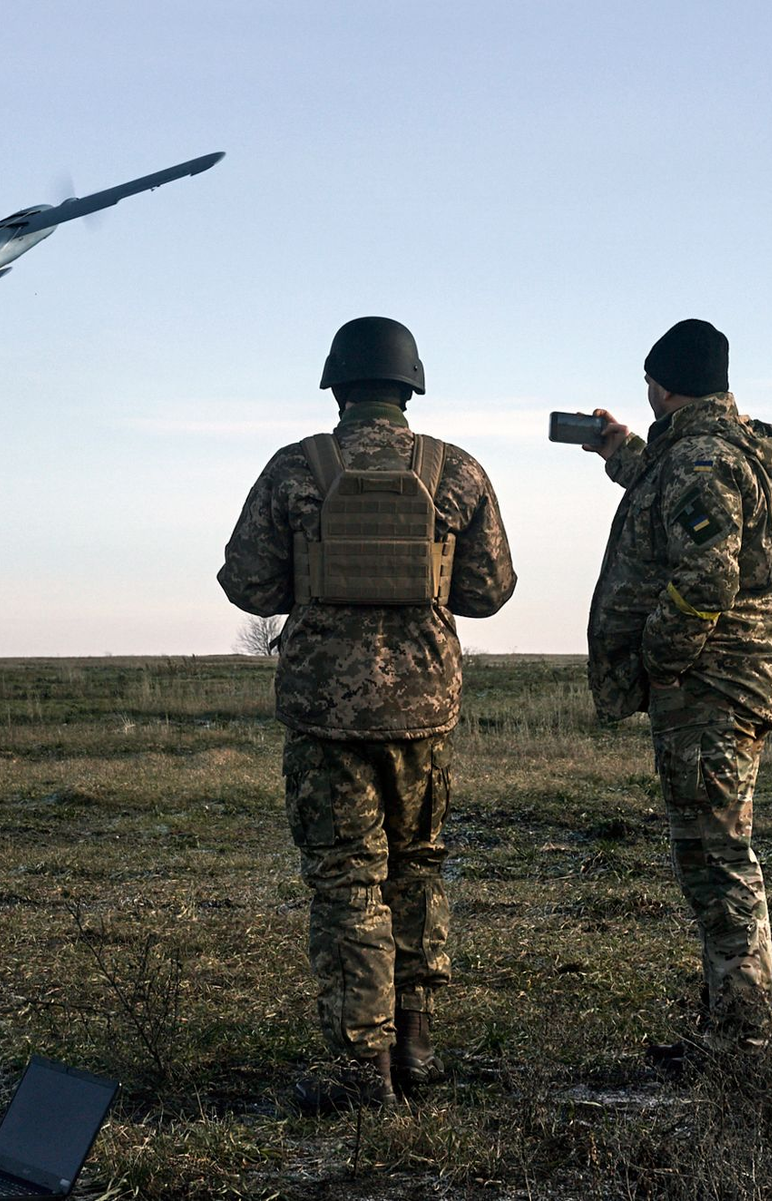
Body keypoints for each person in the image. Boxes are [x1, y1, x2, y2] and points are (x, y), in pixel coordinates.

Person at [218, 318, 516, 1110]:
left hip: (326, 716)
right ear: (410, 386)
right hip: (424, 712)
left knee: (348, 881)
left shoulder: (297, 467)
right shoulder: (457, 471)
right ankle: (414, 1044)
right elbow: (489, 591)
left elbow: (248, 583)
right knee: (416, 867)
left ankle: (363, 1068)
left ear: (338, 387)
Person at [586, 318, 772, 1060]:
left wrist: (661, 657)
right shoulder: (738, 445)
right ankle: (730, 1019)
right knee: (714, 850)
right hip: (741, 676)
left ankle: (744, 1041)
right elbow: (676, 496)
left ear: (662, 385)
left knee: (715, 858)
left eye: (648, 381)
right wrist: (619, 451)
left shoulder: (699, 458)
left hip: (710, 685)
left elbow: (707, 575)